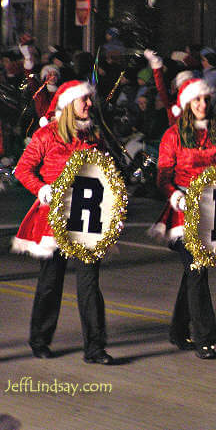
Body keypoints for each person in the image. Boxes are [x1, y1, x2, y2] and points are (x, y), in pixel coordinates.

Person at [11, 80, 114, 364]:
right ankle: (40, 339)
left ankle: (95, 348)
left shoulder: (93, 135)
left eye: (90, 100)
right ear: (69, 104)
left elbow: (105, 170)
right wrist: (42, 189)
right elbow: (22, 170)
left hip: (86, 217)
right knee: (50, 282)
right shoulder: (46, 135)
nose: (90, 105)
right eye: (84, 100)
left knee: (90, 283)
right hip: (54, 219)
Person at [149, 78, 216, 359]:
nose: (203, 105)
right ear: (186, 104)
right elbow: (162, 176)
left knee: (193, 272)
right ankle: (205, 338)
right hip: (182, 209)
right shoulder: (173, 135)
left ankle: (178, 330)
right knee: (197, 269)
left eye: (206, 99)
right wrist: (174, 195)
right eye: (197, 100)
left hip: (210, 208)